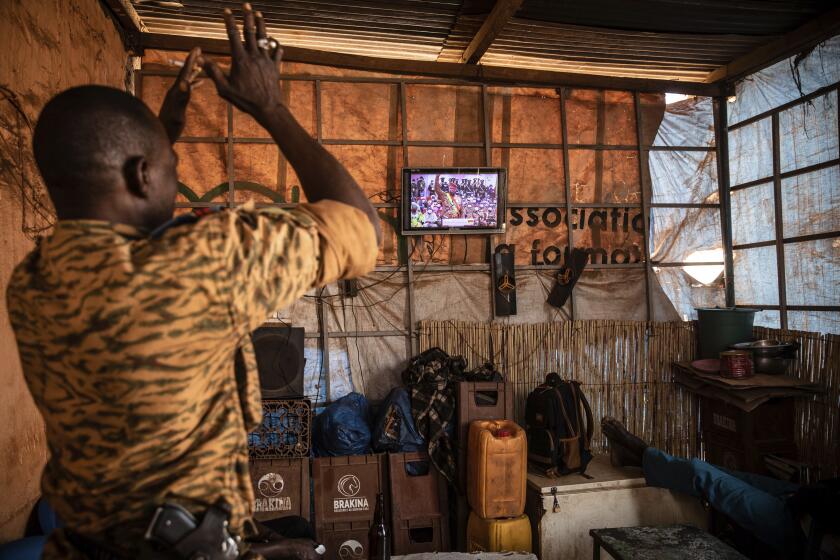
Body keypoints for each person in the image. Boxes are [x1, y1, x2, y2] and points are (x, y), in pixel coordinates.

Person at [6, 4, 381, 560]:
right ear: (141, 176)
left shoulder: (34, 281)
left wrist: (162, 134)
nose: (175, 183)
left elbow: (124, 218)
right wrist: (270, 106)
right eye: (172, 171)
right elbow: (364, 231)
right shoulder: (198, 264)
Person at [601, 417, 839, 559]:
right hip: (803, 499)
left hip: (799, 530)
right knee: (723, 473)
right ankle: (634, 458)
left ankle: (642, 452)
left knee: (704, 475)